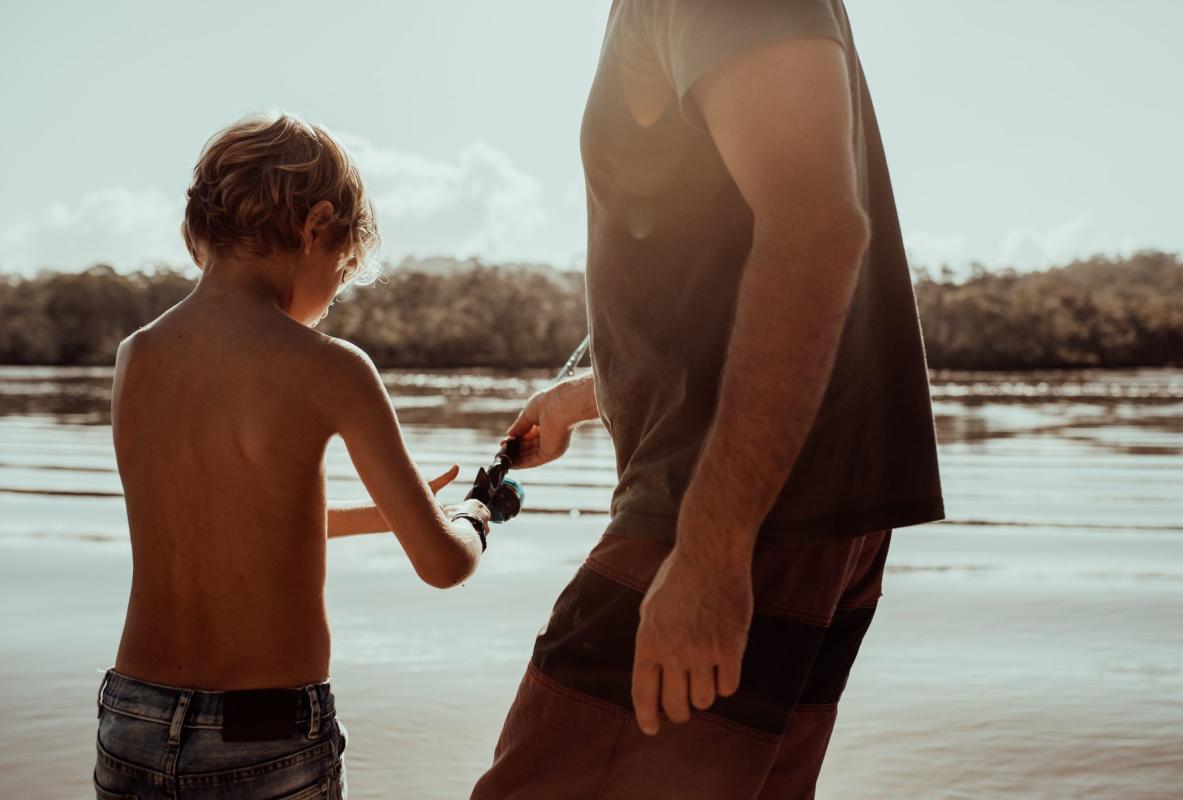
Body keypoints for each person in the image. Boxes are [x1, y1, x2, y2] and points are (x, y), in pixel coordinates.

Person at [473, 1, 944, 797]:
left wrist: (713, 548)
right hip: (796, 516)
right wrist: (591, 394)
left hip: (732, 516)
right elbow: (709, 258)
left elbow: (817, 230)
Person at [93, 113, 492, 800]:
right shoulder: (331, 367)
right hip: (263, 735)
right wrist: (477, 515)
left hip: (132, 717)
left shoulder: (140, 355)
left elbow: (231, 519)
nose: (333, 297)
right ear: (316, 226)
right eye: (342, 270)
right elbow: (443, 564)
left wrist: (393, 511)